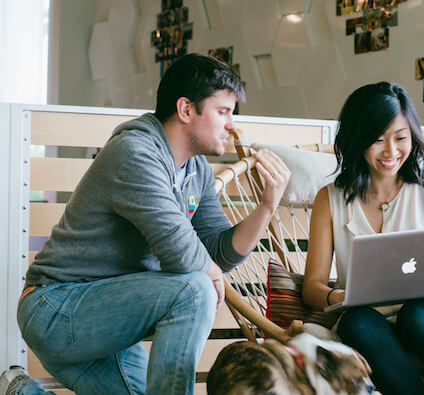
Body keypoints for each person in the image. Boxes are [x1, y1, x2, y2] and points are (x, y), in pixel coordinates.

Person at [0, 53, 291, 395]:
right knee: (194, 288)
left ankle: (20, 390)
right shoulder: (135, 153)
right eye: (223, 112)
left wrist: (268, 207)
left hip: (108, 327)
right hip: (56, 311)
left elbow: (218, 252)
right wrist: (210, 274)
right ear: (186, 109)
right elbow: (183, 256)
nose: (232, 125)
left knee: (197, 283)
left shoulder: (195, 169)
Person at [302, 82, 424, 394]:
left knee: (416, 315)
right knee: (356, 321)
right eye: (377, 140)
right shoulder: (330, 200)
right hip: (371, 325)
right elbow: (312, 286)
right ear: (357, 140)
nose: (391, 152)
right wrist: (336, 297)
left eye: (401, 138)